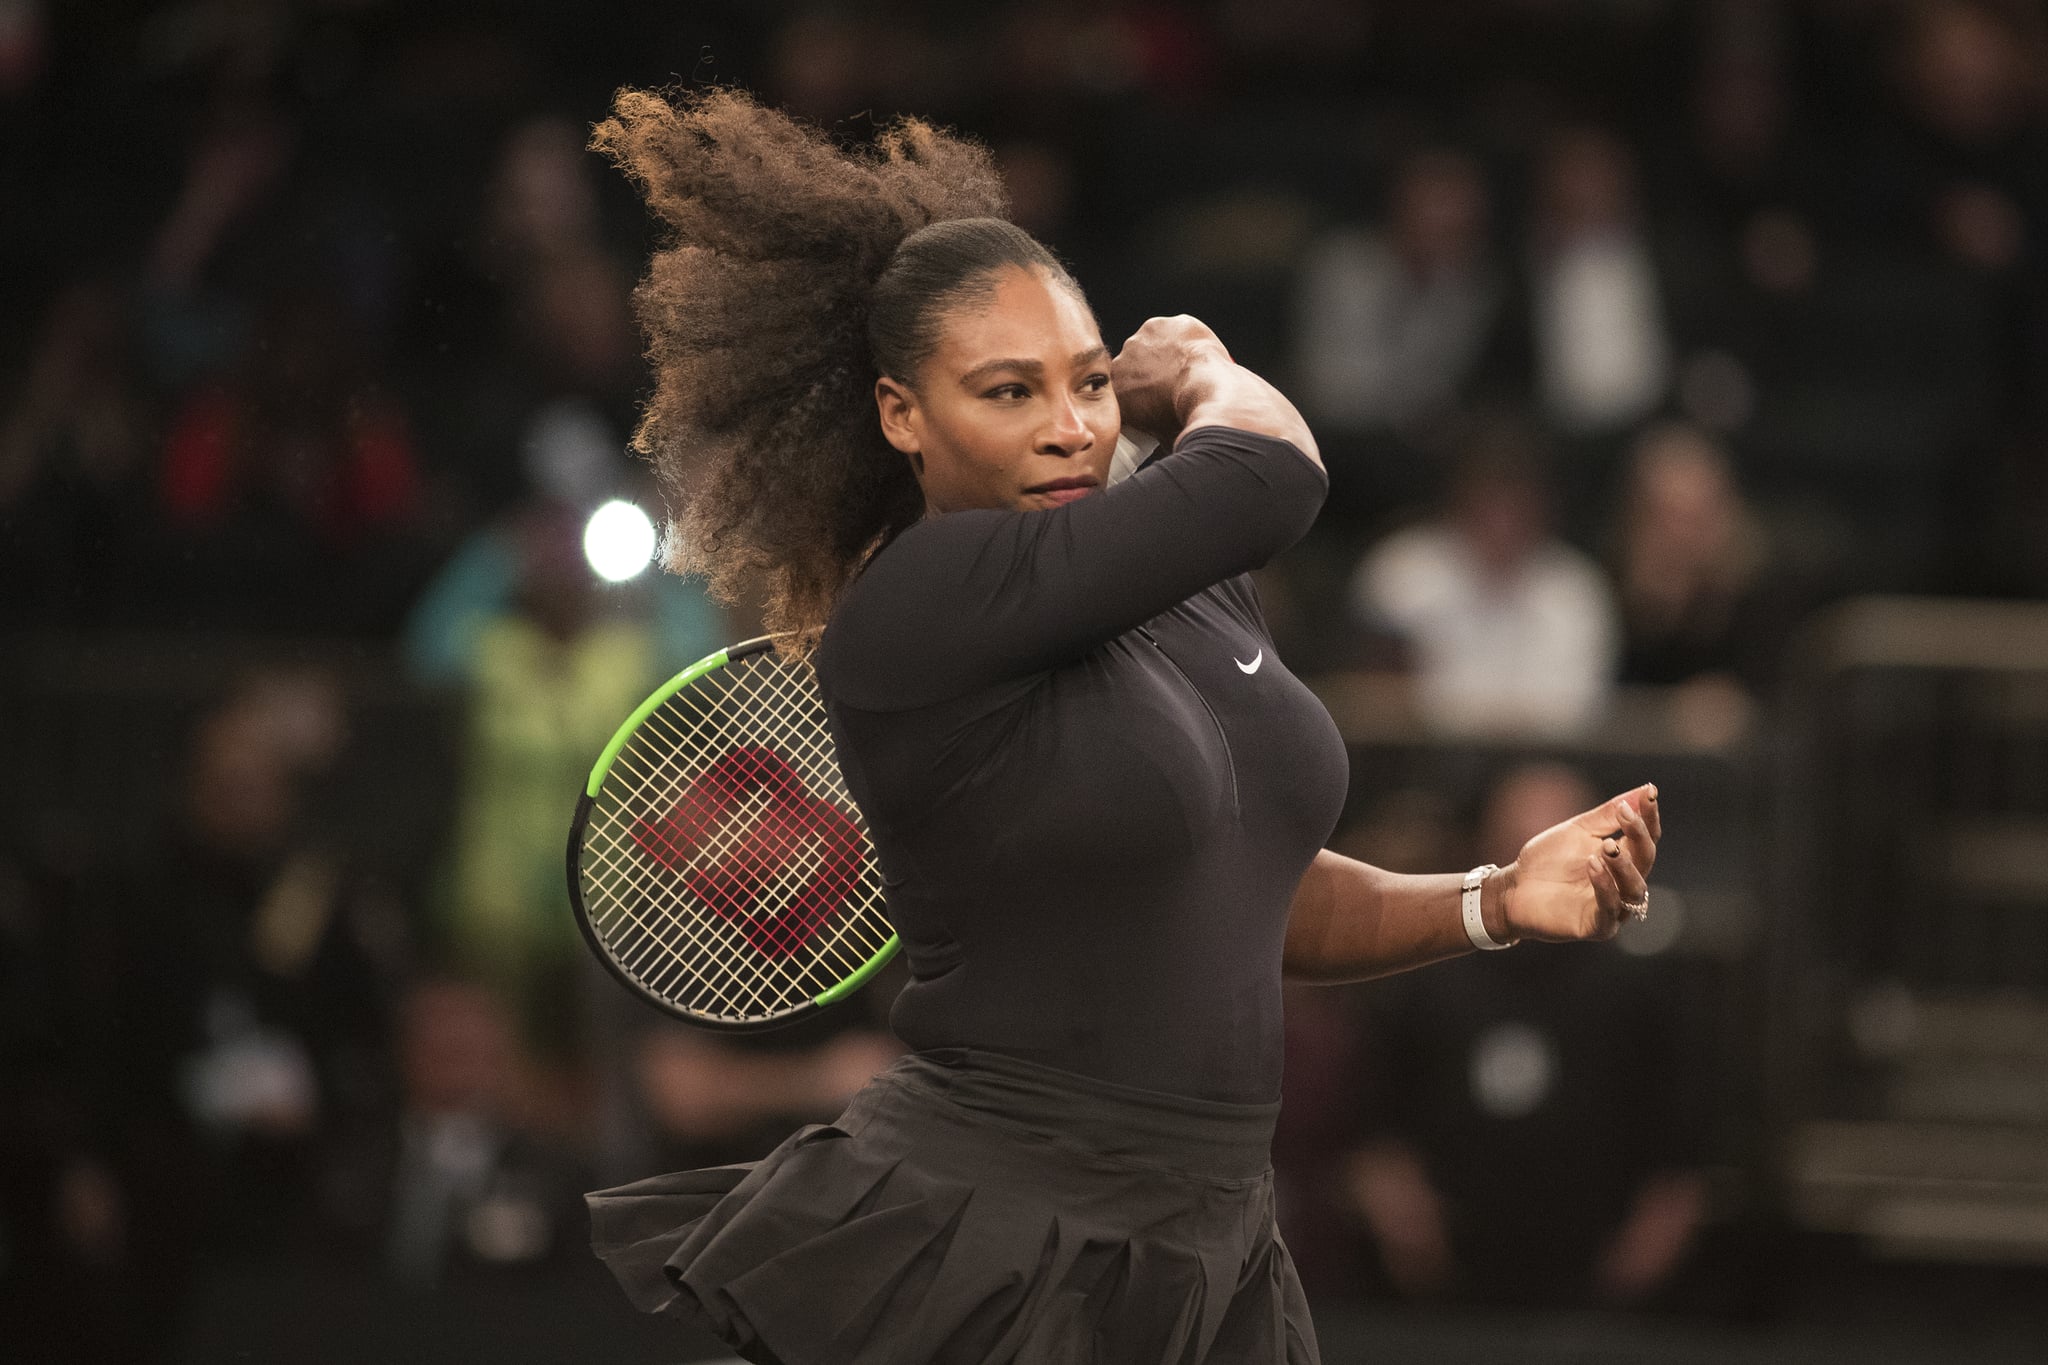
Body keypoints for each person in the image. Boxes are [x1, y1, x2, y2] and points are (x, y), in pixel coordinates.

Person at [581, 88, 1662, 1365]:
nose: (1066, 427)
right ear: (899, 416)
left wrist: (1488, 898)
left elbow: (1241, 886)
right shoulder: (921, 599)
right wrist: (1194, 371)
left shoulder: (1176, 576)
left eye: (1089, 382)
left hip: (1212, 1245)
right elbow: (1273, 471)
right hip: (993, 1233)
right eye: (1007, 390)